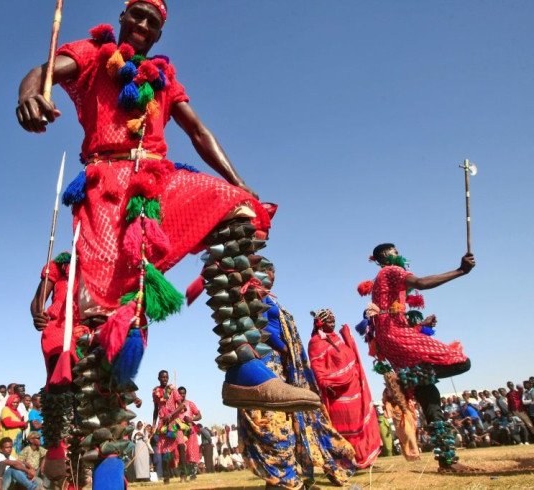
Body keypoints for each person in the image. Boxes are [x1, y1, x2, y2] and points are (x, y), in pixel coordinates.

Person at [18, 0, 317, 411]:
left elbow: (196, 130)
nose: (143, 23)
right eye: (136, 14)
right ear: (122, 18)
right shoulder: (92, 54)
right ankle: (90, 454)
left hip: (160, 184)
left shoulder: (163, 77)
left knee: (236, 207)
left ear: (159, 34)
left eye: (152, 21)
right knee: (106, 324)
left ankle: (244, 368)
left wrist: (239, 181)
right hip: (106, 191)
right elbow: (41, 71)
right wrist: (30, 95)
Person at [360, 243, 476, 473]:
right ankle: (403, 380)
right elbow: (422, 283)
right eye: (394, 251)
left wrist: (420, 325)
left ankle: (447, 461)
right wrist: (460, 271)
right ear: (386, 256)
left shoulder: (382, 278)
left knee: (430, 399)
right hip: (395, 335)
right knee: (461, 361)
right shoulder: (391, 270)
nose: (398, 253)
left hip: (391, 336)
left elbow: (390, 313)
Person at [237, 269, 355, 489]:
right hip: (266, 362)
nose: (272, 275)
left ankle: (285, 476)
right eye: (266, 271)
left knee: (288, 417)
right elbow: (260, 327)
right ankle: (281, 477)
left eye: (273, 273)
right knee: (272, 418)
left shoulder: (270, 299)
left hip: (280, 366)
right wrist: (285, 349)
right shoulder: (254, 294)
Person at [308, 309, 381, 468]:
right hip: (336, 394)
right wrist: (326, 384)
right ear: (320, 323)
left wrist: (348, 338)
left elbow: (348, 356)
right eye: (329, 321)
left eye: (334, 320)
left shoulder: (337, 338)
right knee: (344, 429)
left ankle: (362, 458)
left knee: (358, 423)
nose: (333, 323)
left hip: (352, 389)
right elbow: (317, 368)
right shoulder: (315, 342)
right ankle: (346, 462)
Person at [174, 386, 201, 481]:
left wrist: (192, 418)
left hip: (190, 430)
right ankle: (183, 474)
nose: (182, 395)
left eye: (183, 393)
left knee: (191, 451)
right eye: (180, 393)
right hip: (179, 430)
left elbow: (199, 415)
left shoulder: (190, 404)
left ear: (186, 393)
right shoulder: (174, 405)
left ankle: (193, 475)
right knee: (181, 453)